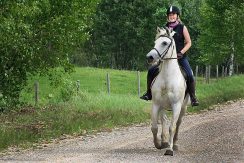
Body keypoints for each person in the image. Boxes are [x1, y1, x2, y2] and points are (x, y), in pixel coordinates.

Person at [140, 5, 199, 106]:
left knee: (189, 74)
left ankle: (193, 97)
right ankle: (149, 93)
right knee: (151, 71)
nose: (171, 16)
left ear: (177, 16)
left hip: (180, 57)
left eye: (173, 14)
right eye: (170, 15)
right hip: (165, 58)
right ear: (168, 16)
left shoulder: (182, 27)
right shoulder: (164, 28)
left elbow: (189, 42)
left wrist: (182, 52)